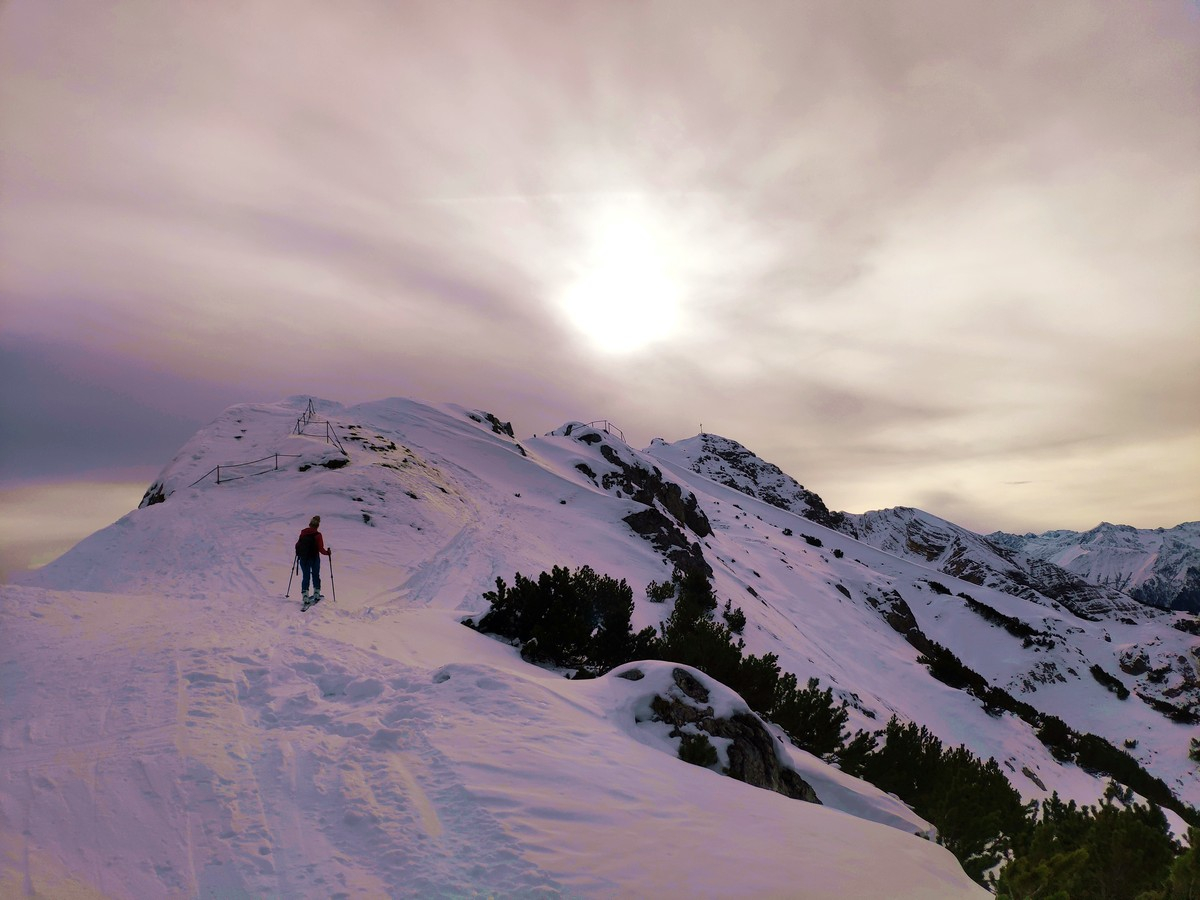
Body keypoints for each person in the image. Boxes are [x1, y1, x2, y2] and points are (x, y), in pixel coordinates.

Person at [295, 515, 332, 601]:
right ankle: (316, 593)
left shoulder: (303, 533)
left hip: (304, 558)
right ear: (317, 526)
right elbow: (321, 549)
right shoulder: (318, 535)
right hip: (314, 558)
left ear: (310, 524)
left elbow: (297, 545)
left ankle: (305, 596)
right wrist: (328, 553)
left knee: (306, 576)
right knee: (315, 575)